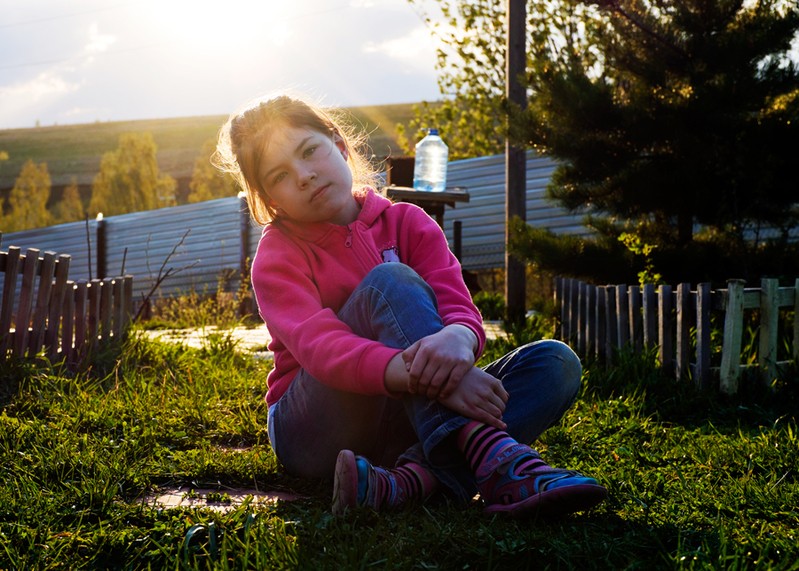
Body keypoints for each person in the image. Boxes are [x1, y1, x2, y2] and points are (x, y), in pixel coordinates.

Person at [214, 92, 607, 517]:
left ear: (339, 144)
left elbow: (458, 306)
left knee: (554, 364)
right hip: (316, 429)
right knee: (390, 281)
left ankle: (406, 482)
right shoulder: (279, 255)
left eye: (310, 151)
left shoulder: (409, 223)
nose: (305, 175)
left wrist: (458, 339)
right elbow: (322, 350)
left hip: (408, 420)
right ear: (271, 201)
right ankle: (493, 453)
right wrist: (443, 382)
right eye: (280, 176)